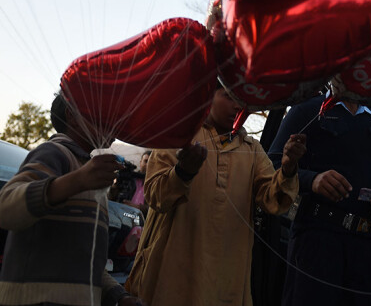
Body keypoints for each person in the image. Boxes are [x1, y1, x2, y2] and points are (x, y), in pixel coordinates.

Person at [124, 84, 305, 306]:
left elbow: (275, 202)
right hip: (172, 275)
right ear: (207, 96)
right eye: (229, 96)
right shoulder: (180, 135)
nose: (238, 106)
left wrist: (288, 169)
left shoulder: (252, 149)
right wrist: (183, 172)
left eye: (242, 99)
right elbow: (154, 196)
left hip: (226, 281)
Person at [0, 91, 145, 306]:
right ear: (73, 115)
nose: (114, 125)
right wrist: (76, 181)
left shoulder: (88, 172)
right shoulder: (54, 153)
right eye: (103, 114)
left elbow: (86, 260)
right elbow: (5, 207)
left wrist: (118, 295)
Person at [268, 91, 371, 306]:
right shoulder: (307, 109)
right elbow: (272, 164)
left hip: (362, 245)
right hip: (317, 239)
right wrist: (312, 180)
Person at [110, 151, 151, 215]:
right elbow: (111, 198)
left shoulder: (155, 185)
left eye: (151, 162)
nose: (148, 164)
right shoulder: (128, 178)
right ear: (140, 163)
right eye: (146, 161)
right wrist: (116, 185)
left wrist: (138, 207)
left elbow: (156, 209)